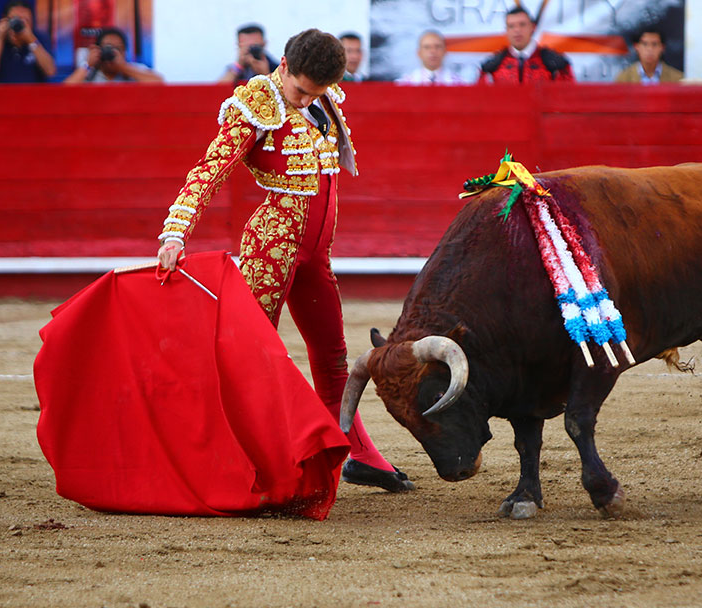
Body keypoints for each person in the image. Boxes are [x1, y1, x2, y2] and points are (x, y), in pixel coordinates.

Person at [156, 29, 413, 493]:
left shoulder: (324, 95)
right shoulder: (256, 104)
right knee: (250, 358)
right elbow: (209, 171)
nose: (306, 99)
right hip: (271, 249)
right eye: (300, 90)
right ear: (283, 66)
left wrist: (315, 94)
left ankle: (355, 453)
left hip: (316, 256)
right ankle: (224, 458)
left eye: (316, 92)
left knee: (334, 357)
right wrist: (176, 232)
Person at [477, 6, 574, 84]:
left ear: (533, 27)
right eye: (511, 26)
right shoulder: (492, 66)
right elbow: (481, 103)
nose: (517, 30)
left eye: (522, 24)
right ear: (506, 30)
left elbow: (567, 101)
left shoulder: (556, 64)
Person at [0, 0, 56, 83]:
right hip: (3, 94)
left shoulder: (40, 38)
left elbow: (50, 71)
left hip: (33, 94)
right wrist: (0, 39)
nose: (20, 24)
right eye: (16, 19)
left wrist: (31, 40)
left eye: (26, 20)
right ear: (5, 20)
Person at [63, 27, 162, 83]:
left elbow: (159, 82)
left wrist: (123, 67)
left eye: (117, 49)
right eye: (107, 48)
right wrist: (87, 65)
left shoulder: (133, 70)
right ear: (98, 49)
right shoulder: (88, 73)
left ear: (124, 52)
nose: (112, 52)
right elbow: (64, 91)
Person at [614, 29, 683, 84]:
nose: (650, 49)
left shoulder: (678, 79)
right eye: (645, 44)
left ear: (662, 48)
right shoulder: (623, 79)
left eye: (654, 44)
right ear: (636, 47)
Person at [396, 30, 464, 85]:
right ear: (419, 53)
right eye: (427, 47)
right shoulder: (404, 84)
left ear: (445, 51)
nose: (433, 51)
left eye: (437, 46)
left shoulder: (459, 84)